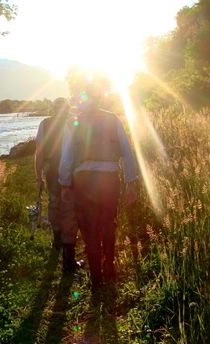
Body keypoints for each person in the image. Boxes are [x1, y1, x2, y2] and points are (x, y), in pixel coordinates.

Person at [59, 77, 138, 292]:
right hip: (109, 179)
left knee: (89, 228)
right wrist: (131, 181)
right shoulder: (112, 119)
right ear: (100, 97)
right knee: (108, 222)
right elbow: (127, 152)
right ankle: (109, 267)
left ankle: (95, 278)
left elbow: (66, 156)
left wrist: (65, 184)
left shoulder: (73, 123)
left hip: (83, 180)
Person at [35, 97, 83, 272]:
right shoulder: (74, 123)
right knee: (68, 207)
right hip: (70, 169)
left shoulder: (45, 124)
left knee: (55, 203)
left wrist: (38, 176)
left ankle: (57, 239)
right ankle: (66, 248)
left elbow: (39, 152)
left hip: (53, 168)